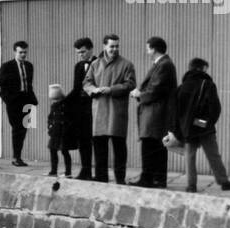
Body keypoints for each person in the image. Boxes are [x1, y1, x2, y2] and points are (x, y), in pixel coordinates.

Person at [170, 57, 230, 194]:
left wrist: (177, 130)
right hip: (204, 128)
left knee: (189, 156)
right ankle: (224, 182)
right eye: (206, 68)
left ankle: (191, 186)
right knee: (213, 155)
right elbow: (215, 108)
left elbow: (174, 112)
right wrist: (205, 123)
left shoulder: (181, 87)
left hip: (187, 128)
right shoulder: (207, 85)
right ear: (201, 68)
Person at [84, 34, 136, 184]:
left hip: (116, 111)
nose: (114, 49)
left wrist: (111, 89)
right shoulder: (95, 64)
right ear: (104, 46)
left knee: (119, 147)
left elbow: (130, 84)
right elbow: (86, 82)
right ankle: (101, 178)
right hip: (99, 110)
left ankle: (120, 179)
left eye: (117, 46)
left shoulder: (126, 64)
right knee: (100, 147)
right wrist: (92, 89)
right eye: (111, 46)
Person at [130, 36, 177, 188]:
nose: (147, 51)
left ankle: (149, 179)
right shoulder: (164, 64)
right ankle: (157, 179)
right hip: (156, 112)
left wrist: (139, 94)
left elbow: (155, 89)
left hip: (155, 113)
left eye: (148, 48)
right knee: (156, 145)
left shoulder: (164, 65)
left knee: (150, 145)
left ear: (153, 49)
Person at [0, 41, 37, 166]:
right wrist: (8, 101)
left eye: (25, 52)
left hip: (28, 101)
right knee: (17, 129)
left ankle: (19, 157)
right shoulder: (7, 66)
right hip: (14, 102)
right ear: (15, 52)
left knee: (25, 128)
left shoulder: (29, 66)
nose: (23, 55)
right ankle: (16, 158)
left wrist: (33, 101)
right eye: (21, 52)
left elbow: (29, 85)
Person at [70, 38, 95, 179]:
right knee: (82, 140)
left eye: (83, 52)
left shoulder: (99, 63)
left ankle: (97, 173)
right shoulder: (78, 66)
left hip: (95, 108)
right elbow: (76, 88)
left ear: (91, 49)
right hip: (81, 109)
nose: (81, 55)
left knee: (96, 141)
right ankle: (85, 170)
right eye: (78, 52)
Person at [47, 84, 72, 177]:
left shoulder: (66, 105)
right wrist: (49, 127)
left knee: (64, 151)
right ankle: (53, 170)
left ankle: (68, 172)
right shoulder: (53, 106)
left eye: (57, 99)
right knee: (52, 150)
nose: (55, 101)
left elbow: (69, 118)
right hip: (55, 132)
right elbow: (50, 117)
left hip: (63, 132)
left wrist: (68, 129)